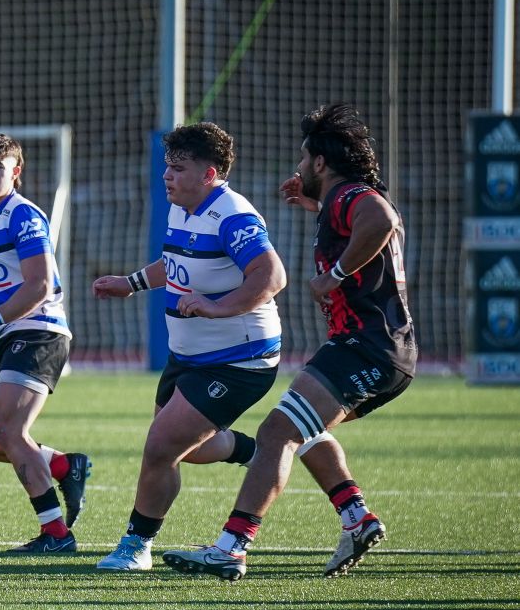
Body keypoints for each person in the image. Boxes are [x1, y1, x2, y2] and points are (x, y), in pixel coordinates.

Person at [163, 103, 418, 581]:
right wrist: (315, 206)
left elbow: (381, 219)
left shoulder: (352, 196)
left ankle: (230, 548)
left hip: (365, 347)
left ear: (321, 163)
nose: (299, 168)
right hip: (380, 350)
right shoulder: (339, 201)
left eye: (305, 159)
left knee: (276, 434)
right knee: (305, 429)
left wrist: (335, 275)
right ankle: (355, 516)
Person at [91, 122, 286, 572]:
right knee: (188, 449)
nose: (168, 177)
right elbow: (174, 262)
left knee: (159, 447)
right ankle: (261, 453)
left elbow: (272, 276)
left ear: (210, 174)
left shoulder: (233, 215)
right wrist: (130, 283)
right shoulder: (182, 206)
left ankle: (135, 545)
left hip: (239, 359)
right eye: (166, 167)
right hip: (190, 356)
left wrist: (220, 308)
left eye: (178, 168)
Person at [0, 133, 91, 553]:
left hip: (40, 330)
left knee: (10, 430)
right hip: (8, 334)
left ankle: (56, 535)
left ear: (16, 172)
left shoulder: (24, 216)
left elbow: (40, 285)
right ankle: (64, 465)